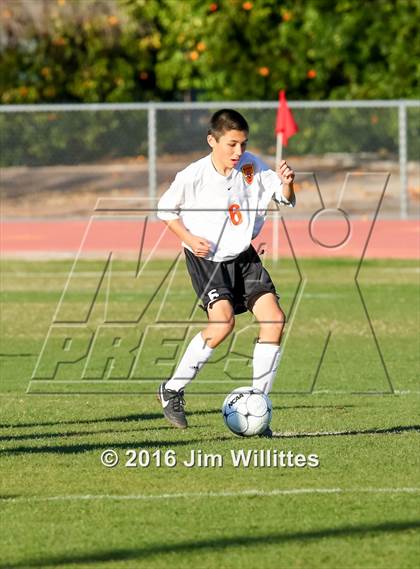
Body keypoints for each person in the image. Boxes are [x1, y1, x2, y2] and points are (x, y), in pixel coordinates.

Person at [156, 109, 295, 436]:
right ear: (212, 141)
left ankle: (258, 404)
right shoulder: (193, 175)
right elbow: (165, 210)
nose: (238, 152)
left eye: (243, 144)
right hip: (207, 259)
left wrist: (288, 184)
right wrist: (189, 239)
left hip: (243, 256)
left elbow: (284, 198)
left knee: (274, 319)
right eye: (231, 144)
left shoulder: (250, 166)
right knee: (222, 324)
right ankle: (172, 389)